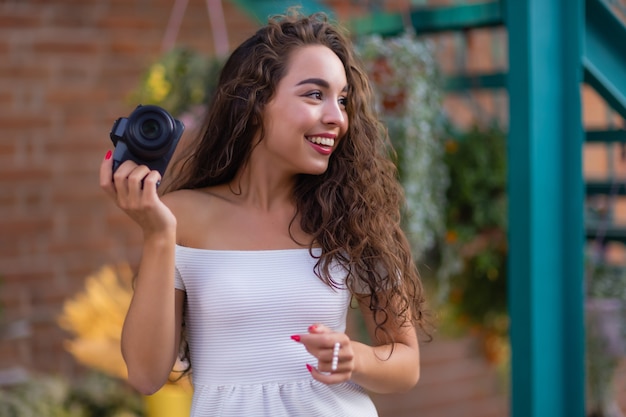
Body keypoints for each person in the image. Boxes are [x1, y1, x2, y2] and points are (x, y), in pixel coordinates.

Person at [100, 10, 430, 417]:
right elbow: (146, 376)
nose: (337, 117)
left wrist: (355, 358)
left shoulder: (351, 220)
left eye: (342, 100)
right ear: (257, 102)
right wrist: (156, 235)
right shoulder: (180, 217)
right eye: (315, 94)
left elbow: (406, 362)